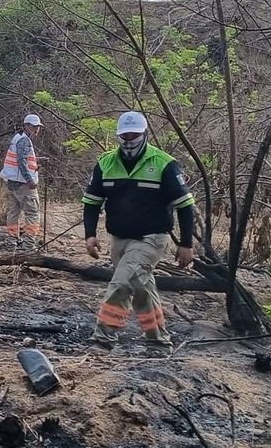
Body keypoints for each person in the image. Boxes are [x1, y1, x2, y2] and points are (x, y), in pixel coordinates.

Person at [80, 110, 197, 349]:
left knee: (121, 284)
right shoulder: (105, 163)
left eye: (134, 135)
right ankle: (158, 338)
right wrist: (90, 235)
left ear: (144, 134)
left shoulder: (164, 164)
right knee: (141, 286)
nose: (129, 140)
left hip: (151, 238)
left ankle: (104, 337)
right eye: (125, 135)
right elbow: (91, 203)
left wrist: (186, 243)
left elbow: (185, 206)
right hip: (119, 239)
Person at [0, 113, 43, 243]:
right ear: (26, 126)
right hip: (23, 184)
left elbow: (21, 159)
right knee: (32, 213)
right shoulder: (24, 140)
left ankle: (12, 240)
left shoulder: (17, 138)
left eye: (37, 127)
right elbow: (21, 161)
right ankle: (29, 243)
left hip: (13, 182)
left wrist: (35, 161)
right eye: (34, 127)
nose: (36, 129)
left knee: (13, 213)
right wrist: (30, 180)